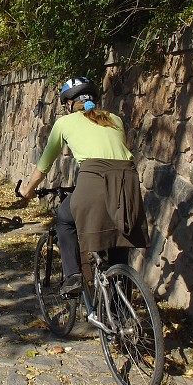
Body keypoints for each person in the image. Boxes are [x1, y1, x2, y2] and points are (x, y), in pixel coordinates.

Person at [19, 76, 149, 294]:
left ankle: (73, 276)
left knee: (64, 219)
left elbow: (44, 166)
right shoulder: (114, 119)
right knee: (118, 245)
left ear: (70, 103)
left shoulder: (64, 123)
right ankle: (122, 319)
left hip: (94, 181)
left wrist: (27, 190)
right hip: (128, 186)